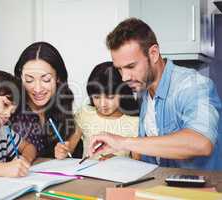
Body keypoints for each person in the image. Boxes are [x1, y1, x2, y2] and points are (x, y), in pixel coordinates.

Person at [88, 18, 222, 170]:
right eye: (119, 69)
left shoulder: (193, 85)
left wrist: (123, 142)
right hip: (160, 188)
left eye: (131, 66)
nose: (124, 77)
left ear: (153, 53)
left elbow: (201, 142)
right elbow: (151, 155)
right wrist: (120, 160)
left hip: (199, 192)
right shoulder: (144, 91)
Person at [55, 61, 140, 160]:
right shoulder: (85, 114)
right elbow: (69, 148)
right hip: (86, 174)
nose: (103, 104)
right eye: (96, 97)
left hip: (118, 175)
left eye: (110, 97)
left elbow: (137, 162)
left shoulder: (134, 123)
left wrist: (117, 160)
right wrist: (63, 151)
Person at [12, 42, 83, 158]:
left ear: (58, 78)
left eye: (46, 79)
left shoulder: (62, 107)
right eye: (29, 80)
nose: (38, 89)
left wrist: (71, 142)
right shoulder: (9, 109)